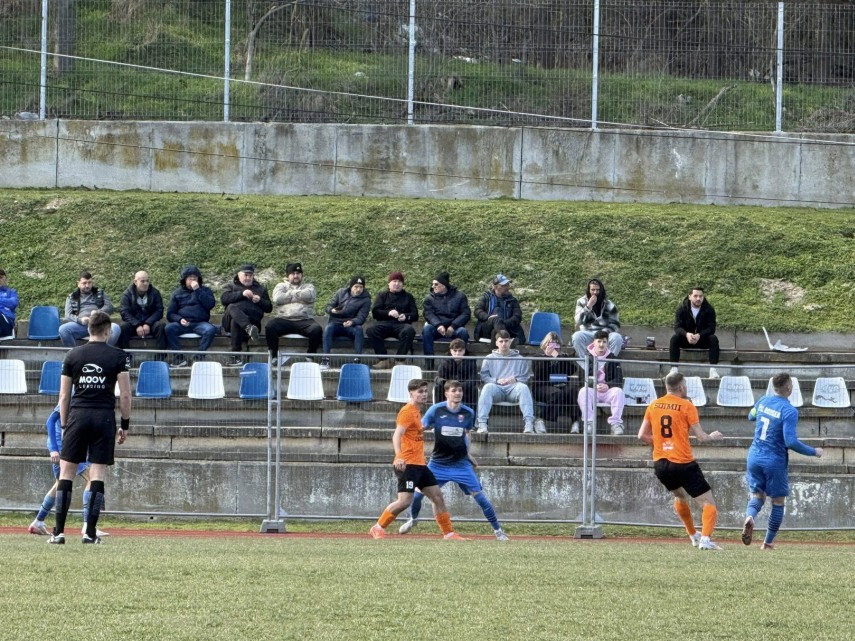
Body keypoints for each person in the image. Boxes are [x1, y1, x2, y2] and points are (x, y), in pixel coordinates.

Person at [49, 310, 131, 545]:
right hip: (104, 417)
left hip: (78, 416)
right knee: (97, 475)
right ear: (107, 331)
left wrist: (65, 424)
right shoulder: (119, 356)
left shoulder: (72, 355)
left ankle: (59, 533)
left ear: (88, 330)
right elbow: (125, 395)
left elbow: (64, 395)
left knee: (66, 473)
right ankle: (89, 533)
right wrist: (125, 424)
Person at [399, 379, 509, 541]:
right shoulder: (436, 410)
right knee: (417, 495)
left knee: (480, 498)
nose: (457, 393)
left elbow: (467, 432)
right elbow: (418, 429)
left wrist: (468, 453)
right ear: (446, 393)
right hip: (438, 463)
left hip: (461, 465)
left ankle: (498, 531)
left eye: (460, 391)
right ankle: (413, 519)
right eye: (453, 390)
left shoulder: (468, 413)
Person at [637, 371, 724, 551]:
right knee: (708, 503)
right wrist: (713, 436)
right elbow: (700, 437)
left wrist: (661, 443)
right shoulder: (686, 405)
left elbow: (642, 435)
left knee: (679, 496)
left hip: (661, 463)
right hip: (683, 462)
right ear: (682, 386)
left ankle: (693, 535)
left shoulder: (653, 405)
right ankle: (705, 540)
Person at [368, 378, 464, 541]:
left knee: (437, 497)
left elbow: (414, 433)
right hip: (408, 464)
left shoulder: (417, 412)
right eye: (420, 392)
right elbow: (397, 434)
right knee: (404, 501)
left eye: (425, 391)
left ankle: (448, 533)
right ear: (411, 393)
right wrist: (399, 456)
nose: (424, 394)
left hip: (420, 464)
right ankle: (378, 527)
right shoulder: (407, 411)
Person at [741, 373, 824, 550]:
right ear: (788, 388)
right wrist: (813, 452)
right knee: (777, 502)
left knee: (757, 496)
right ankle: (768, 543)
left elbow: (750, 416)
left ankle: (750, 517)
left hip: (754, 456)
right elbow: (791, 442)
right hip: (774, 461)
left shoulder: (763, 401)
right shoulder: (789, 411)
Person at [28, 403, 108, 538]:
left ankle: (38, 521)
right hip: (64, 446)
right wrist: (53, 448)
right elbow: (51, 420)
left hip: (72, 444)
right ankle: (87, 525)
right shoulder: (72, 394)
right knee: (91, 478)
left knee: (59, 484)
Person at [475, 330, 539, 434]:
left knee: (523, 388)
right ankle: (482, 424)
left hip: (513, 388)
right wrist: (495, 380)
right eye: (501, 341)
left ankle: (529, 424)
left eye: (506, 341)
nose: (504, 344)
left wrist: (516, 379)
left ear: (510, 342)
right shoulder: (488, 358)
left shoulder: (520, 359)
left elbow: (526, 377)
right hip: (497, 388)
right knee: (487, 388)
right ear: (496, 343)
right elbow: (484, 376)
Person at [264, 262, 323, 365]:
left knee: (316, 329)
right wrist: (298, 295)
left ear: (301, 275)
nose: (296, 276)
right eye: (293, 273)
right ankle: (273, 356)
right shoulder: (280, 286)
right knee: (270, 326)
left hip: (304, 320)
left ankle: (310, 356)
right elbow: (277, 298)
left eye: (298, 273)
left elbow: (309, 296)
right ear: (288, 275)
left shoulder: (308, 286)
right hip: (284, 319)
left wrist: (289, 295)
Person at [164, 265, 218, 368]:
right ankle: (179, 359)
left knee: (210, 330)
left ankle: (198, 358)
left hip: (200, 323)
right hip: (183, 324)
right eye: (190, 278)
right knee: (169, 328)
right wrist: (179, 319)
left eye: (195, 278)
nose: (193, 280)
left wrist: (198, 290)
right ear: (184, 280)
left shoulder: (205, 290)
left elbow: (210, 304)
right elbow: (170, 314)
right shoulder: (177, 293)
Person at [220, 264, 272, 366]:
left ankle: (236, 357)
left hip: (253, 322)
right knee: (231, 307)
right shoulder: (231, 286)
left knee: (237, 321)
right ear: (238, 275)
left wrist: (260, 300)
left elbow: (269, 308)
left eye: (250, 275)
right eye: (245, 275)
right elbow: (224, 299)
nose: (248, 278)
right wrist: (241, 294)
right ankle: (248, 327)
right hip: (228, 322)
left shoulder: (261, 289)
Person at [366, 271, 418, 369]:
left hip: (401, 325)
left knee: (409, 330)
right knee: (371, 331)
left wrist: (406, 316)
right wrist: (388, 313)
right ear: (389, 284)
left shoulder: (408, 297)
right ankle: (383, 359)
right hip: (384, 323)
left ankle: (399, 360)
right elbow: (375, 312)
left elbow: (415, 315)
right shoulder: (382, 295)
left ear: (403, 284)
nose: (397, 284)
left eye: (399, 282)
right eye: (394, 281)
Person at [532, 331, 581, 433]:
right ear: (545, 344)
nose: (553, 346)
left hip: (561, 385)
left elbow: (572, 370)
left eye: (555, 343)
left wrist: (559, 357)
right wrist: (547, 357)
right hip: (542, 386)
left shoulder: (563, 356)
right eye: (550, 343)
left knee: (573, 391)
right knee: (557, 394)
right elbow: (538, 373)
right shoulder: (538, 357)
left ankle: (575, 421)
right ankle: (540, 419)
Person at [578, 330, 625, 435]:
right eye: (599, 341)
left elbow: (619, 379)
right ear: (593, 342)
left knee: (618, 392)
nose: (601, 344)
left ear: (607, 343)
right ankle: (588, 423)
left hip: (608, 391)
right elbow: (581, 379)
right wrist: (594, 385)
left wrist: (607, 385)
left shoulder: (613, 358)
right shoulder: (587, 358)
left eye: (604, 342)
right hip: (592, 390)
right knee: (583, 391)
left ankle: (616, 424)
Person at [59, 271, 121, 347]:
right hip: (82, 325)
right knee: (63, 330)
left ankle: (103, 352)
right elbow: (67, 315)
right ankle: (74, 354)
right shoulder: (72, 297)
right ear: (78, 283)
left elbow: (110, 307)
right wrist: (80, 320)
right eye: (84, 283)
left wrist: (98, 313)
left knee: (116, 328)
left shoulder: (100, 293)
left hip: (100, 323)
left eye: (89, 282)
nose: (87, 285)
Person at [321, 275, 371, 370]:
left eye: (361, 287)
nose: (358, 289)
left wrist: (352, 322)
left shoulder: (366, 300)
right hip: (336, 323)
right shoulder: (341, 292)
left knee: (359, 330)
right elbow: (328, 306)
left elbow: (361, 317)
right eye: (356, 286)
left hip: (351, 325)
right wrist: (332, 310)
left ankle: (357, 359)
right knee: (328, 328)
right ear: (351, 286)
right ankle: (325, 359)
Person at [670, 286, 720, 379]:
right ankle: (674, 370)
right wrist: (687, 334)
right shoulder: (682, 308)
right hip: (686, 340)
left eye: (701, 296)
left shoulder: (709, 309)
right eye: (695, 296)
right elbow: (677, 327)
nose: (698, 298)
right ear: (689, 296)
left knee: (713, 339)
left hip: (702, 340)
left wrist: (699, 335)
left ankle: (713, 370)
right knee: (674, 338)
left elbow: (711, 328)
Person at [571, 278, 623, 360]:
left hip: (605, 335)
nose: (595, 292)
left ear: (601, 290)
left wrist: (604, 333)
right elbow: (578, 321)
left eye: (598, 290)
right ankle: (587, 365)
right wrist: (588, 307)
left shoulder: (609, 304)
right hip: (588, 333)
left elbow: (615, 324)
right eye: (593, 290)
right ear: (588, 290)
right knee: (576, 336)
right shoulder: (581, 302)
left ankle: (607, 365)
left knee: (617, 338)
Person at [422, 271, 471, 357]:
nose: (433, 286)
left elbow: (466, 314)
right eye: (432, 284)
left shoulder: (460, 296)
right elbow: (428, 313)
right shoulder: (429, 298)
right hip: (436, 327)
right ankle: (429, 363)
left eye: (436, 284)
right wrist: (438, 325)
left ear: (444, 285)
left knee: (463, 332)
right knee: (427, 330)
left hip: (454, 328)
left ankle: (460, 360)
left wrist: (453, 326)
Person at [118, 270, 166, 353]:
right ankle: (125, 357)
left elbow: (159, 310)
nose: (146, 283)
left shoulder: (155, 293)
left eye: (147, 281)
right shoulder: (127, 294)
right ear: (135, 282)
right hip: (133, 324)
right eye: (142, 281)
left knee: (160, 326)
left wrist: (148, 323)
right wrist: (137, 325)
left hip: (150, 323)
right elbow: (124, 312)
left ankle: (160, 357)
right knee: (123, 327)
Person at [473, 273, 526, 346]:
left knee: (495, 331)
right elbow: (477, 311)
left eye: (507, 284)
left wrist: (503, 323)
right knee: (496, 319)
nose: (507, 287)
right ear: (495, 286)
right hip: (487, 327)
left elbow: (517, 316)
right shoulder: (486, 297)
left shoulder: (512, 300)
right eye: (503, 285)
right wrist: (488, 317)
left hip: (507, 327)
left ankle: (501, 341)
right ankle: (507, 340)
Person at [433, 337, 479, 409]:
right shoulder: (445, 360)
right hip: (448, 389)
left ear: (464, 350)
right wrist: (449, 386)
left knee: (474, 389)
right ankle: (439, 411)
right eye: (455, 351)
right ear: (450, 351)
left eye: (460, 351)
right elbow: (437, 378)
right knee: (437, 387)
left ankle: (471, 415)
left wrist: (458, 387)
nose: (457, 353)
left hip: (465, 389)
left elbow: (473, 379)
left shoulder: (471, 361)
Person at [0, 268, 18, 338]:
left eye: (1, 277)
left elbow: (13, 303)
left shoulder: (11, 292)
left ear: (5, 279)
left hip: (7, 322)